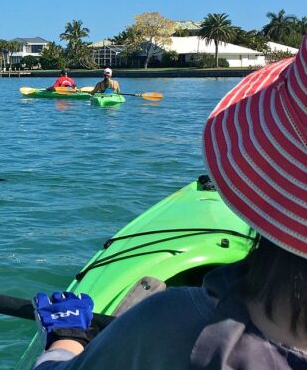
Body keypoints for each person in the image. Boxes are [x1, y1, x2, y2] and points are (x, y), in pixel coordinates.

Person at [33, 34, 307, 370]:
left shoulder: (168, 321)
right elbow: (93, 95)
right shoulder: (101, 86)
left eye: (105, 76)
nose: (105, 78)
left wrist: (65, 338)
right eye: (104, 76)